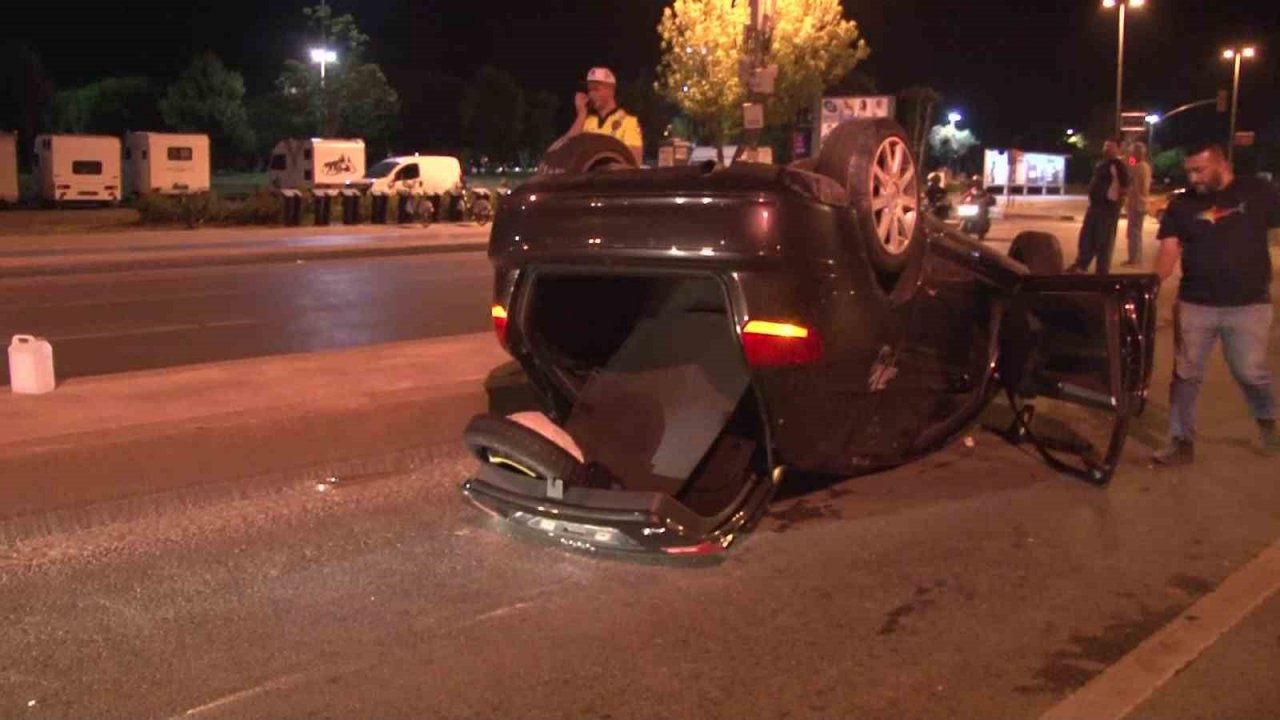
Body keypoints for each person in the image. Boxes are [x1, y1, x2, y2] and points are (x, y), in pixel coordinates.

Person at [1151, 140, 1280, 465]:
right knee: (1186, 375)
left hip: (1250, 304)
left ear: (1222, 164)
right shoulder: (1181, 206)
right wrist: (1151, 285)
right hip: (1196, 304)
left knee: (1250, 372)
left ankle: (1267, 420)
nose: (1192, 178)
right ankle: (1181, 442)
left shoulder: (1257, 191)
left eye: (1199, 170)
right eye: (1189, 171)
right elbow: (1168, 251)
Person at [1068, 139, 1130, 274]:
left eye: (1111, 147)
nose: (1107, 149)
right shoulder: (1101, 164)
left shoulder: (1118, 165)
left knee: (1104, 241)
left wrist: (1117, 205)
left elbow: (1125, 188)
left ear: (1117, 149)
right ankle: (1081, 264)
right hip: (1094, 206)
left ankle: (1102, 271)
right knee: (1087, 236)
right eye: (1106, 146)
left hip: (1108, 208)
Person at [560, 66, 643, 166]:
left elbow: (634, 161)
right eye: (589, 90)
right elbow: (564, 150)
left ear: (611, 90)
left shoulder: (628, 122)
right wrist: (581, 114)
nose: (591, 94)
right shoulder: (585, 121)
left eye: (596, 89)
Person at [1122, 142, 1152, 266]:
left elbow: (1130, 174)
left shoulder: (1139, 167)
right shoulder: (1145, 166)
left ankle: (1134, 260)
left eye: (1133, 152)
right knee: (1135, 232)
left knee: (1134, 232)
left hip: (1137, 203)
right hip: (1141, 203)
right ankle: (1135, 258)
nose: (1131, 154)